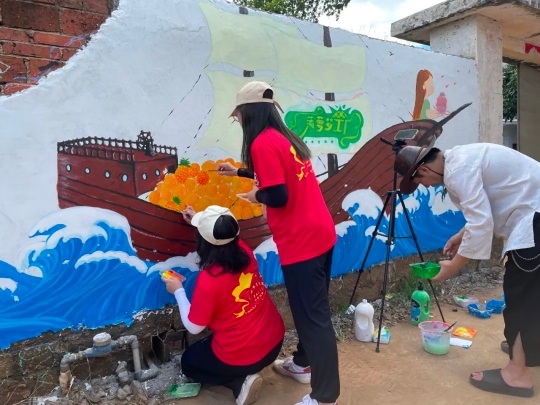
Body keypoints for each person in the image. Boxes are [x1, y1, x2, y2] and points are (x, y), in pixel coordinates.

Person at [216, 81, 339, 405]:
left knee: (314, 319)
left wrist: (255, 195)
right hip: (321, 233)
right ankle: (303, 363)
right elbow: (275, 175)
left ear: (248, 113)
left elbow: (278, 195)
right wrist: (239, 172)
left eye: (238, 116)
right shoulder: (284, 138)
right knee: (311, 312)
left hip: (302, 242)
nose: (238, 121)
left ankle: (326, 397)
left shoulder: (261, 143)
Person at [394, 140, 540, 398]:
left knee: (521, 297)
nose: (425, 187)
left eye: (420, 182)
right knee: (534, 295)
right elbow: (484, 209)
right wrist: (461, 235)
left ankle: (516, 375)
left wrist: (452, 267)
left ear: (424, 170)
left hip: (533, 221)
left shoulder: (457, 171)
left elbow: (481, 224)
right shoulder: (462, 159)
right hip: (533, 211)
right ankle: (530, 350)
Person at [161, 205, 285, 405]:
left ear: (203, 242)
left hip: (245, 355)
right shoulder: (244, 250)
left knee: (189, 362)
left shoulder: (210, 279)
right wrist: (200, 221)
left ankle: (239, 382)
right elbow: (222, 236)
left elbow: (194, 327)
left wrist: (178, 291)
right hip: (274, 341)